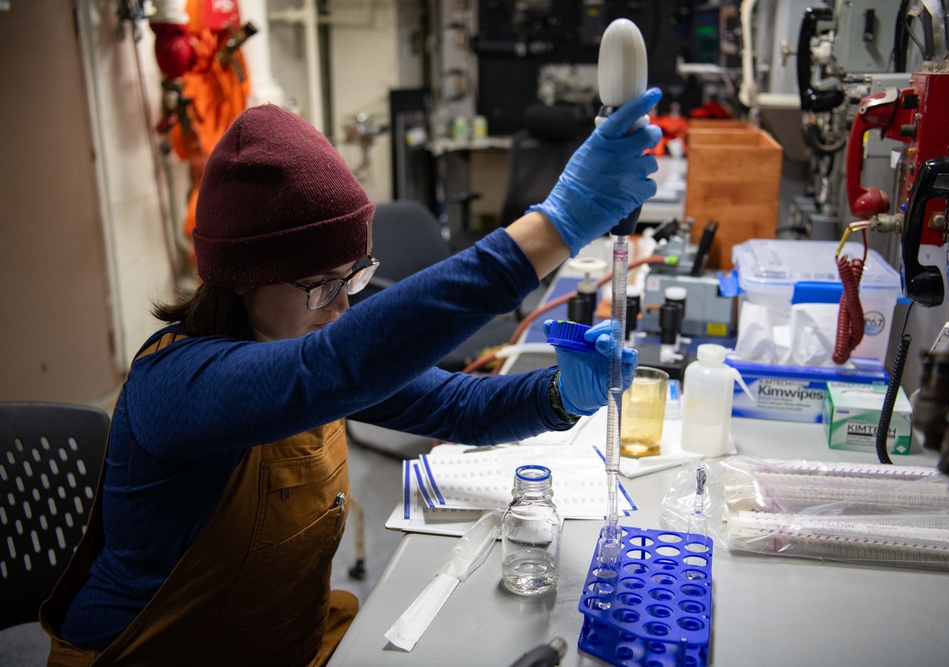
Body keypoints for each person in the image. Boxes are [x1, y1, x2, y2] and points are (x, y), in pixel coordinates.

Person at [41, 88, 663, 666]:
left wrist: (559, 394)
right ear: (243, 278)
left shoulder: (298, 337)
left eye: (356, 276)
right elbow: (332, 368)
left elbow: (459, 404)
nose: (342, 307)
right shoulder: (178, 384)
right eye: (322, 286)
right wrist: (552, 227)